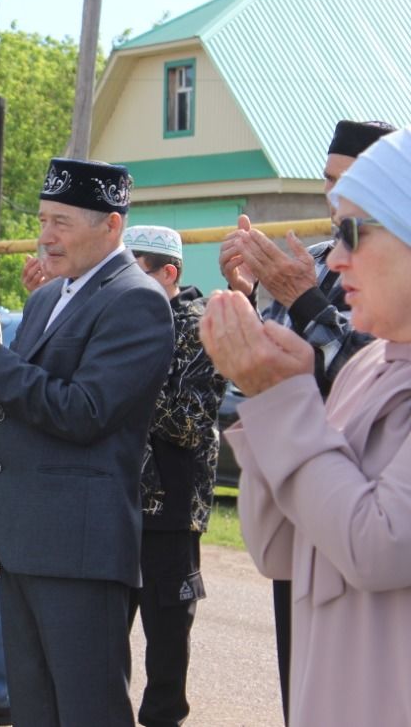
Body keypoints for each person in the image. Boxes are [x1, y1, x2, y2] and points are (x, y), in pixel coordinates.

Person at [0, 158, 174, 726]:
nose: (45, 236)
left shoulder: (137, 300)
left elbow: (84, 412)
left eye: (62, 222)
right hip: (26, 539)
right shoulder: (48, 298)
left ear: (111, 226)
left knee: (88, 710)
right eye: (43, 220)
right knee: (34, 710)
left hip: (80, 546)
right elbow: (14, 412)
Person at [201, 125, 411, 727]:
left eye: (352, 232)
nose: (336, 257)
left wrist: (286, 402)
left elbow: (377, 546)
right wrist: (267, 396)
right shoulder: (367, 365)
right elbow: (277, 547)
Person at [123, 225, 225, 727]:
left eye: (136, 273)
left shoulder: (200, 327)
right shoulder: (117, 321)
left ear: (170, 273)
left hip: (171, 504)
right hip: (113, 500)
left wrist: (128, 376)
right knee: (100, 636)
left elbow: (186, 423)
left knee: (166, 639)